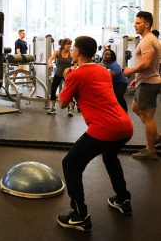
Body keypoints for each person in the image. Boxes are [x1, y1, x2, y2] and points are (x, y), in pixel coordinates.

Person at [57, 36, 133, 232]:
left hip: (104, 128)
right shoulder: (103, 70)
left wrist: (67, 79)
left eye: (73, 48)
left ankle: (79, 216)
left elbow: (63, 103)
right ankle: (123, 198)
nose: (72, 51)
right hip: (124, 125)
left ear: (78, 53)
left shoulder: (75, 75)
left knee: (71, 163)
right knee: (109, 156)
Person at [123, 11, 161, 160]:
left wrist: (132, 70)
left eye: (138, 23)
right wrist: (137, 78)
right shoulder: (149, 39)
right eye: (135, 22)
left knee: (149, 116)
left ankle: (150, 150)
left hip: (149, 83)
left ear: (147, 24)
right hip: (144, 81)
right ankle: (156, 136)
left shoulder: (147, 41)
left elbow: (147, 63)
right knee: (135, 107)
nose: (134, 25)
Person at [47, 38, 75, 116]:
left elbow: (76, 62)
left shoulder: (71, 53)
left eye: (70, 44)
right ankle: (53, 107)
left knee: (69, 91)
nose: (69, 46)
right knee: (53, 90)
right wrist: (50, 63)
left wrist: (73, 67)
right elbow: (50, 59)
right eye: (68, 44)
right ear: (63, 45)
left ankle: (71, 108)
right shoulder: (58, 52)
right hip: (58, 74)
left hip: (68, 75)